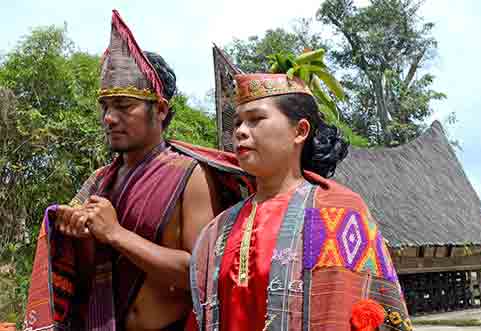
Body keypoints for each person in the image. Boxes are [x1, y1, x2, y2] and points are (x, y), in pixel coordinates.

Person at [23, 10, 247, 331]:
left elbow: (200, 273)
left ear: (160, 109)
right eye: (106, 107)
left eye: (124, 106)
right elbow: (73, 265)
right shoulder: (99, 181)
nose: (109, 119)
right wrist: (74, 234)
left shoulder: (191, 174)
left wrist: (115, 234)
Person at [188, 73, 413, 331]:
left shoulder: (339, 213)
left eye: (256, 120)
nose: (240, 131)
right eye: (238, 122)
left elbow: (367, 305)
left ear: (300, 131)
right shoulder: (218, 229)